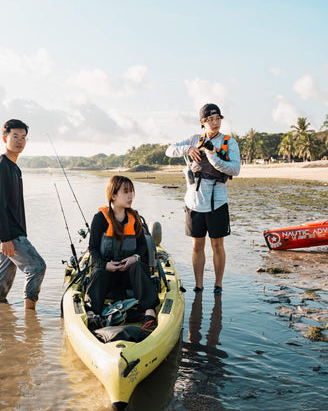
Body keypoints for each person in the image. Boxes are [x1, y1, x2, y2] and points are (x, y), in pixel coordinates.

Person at [166, 103, 240, 294]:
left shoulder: (228, 142)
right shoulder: (194, 138)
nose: (215, 123)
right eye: (210, 120)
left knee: (217, 244)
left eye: (218, 119)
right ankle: (198, 286)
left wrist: (213, 155)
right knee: (197, 244)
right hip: (194, 200)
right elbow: (169, 150)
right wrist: (188, 149)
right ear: (203, 122)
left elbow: (235, 169)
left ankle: (218, 285)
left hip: (218, 200)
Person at [85, 175, 159, 331]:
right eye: (126, 191)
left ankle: (149, 312)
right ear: (113, 195)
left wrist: (134, 258)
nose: (130, 196)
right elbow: (92, 248)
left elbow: (142, 247)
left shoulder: (134, 217)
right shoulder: (100, 219)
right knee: (98, 272)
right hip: (108, 273)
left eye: (131, 191)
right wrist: (105, 265)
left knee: (138, 266)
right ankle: (92, 314)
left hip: (128, 275)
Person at [0, 119, 46, 310]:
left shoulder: (14, 167)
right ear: (5, 138)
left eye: (23, 137)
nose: (20, 141)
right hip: (9, 234)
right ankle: (30, 315)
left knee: (4, 278)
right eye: (15, 137)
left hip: (11, 233)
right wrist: (5, 238)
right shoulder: (1, 167)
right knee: (37, 267)